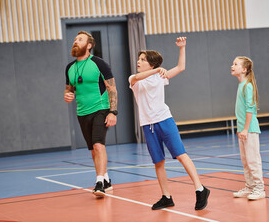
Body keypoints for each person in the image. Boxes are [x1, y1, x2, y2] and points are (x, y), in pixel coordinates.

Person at [128, 37, 210, 210]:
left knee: (181, 154)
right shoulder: (135, 79)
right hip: (148, 125)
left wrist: (182, 48)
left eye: (143, 59)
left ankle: (200, 189)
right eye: (139, 59)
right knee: (158, 162)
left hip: (165, 120)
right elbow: (137, 77)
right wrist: (157, 70)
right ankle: (166, 197)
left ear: (151, 64)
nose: (138, 61)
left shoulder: (160, 77)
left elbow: (181, 67)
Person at [64, 31, 118, 198]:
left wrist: (113, 112)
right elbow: (69, 89)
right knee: (93, 150)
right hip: (82, 112)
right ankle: (107, 180)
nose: (75, 41)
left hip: (100, 109)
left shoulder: (99, 64)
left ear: (89, 45)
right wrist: (67, 95)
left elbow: (112, 89)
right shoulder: (70, 68)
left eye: (80, 39)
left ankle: (100, 182)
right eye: (75, 39)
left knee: (98, 145)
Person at [231, 56, 265, 200]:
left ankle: (259, 188)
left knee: (253, 160)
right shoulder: (241, 85)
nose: (232, 66)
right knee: (245, 161)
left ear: (244, 69)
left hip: (250, 129)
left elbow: (250, 109)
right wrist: (240, 129)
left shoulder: (248, 86)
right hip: (242, 129)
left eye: (235, 64)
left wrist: (245, 129)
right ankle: (250, 186)